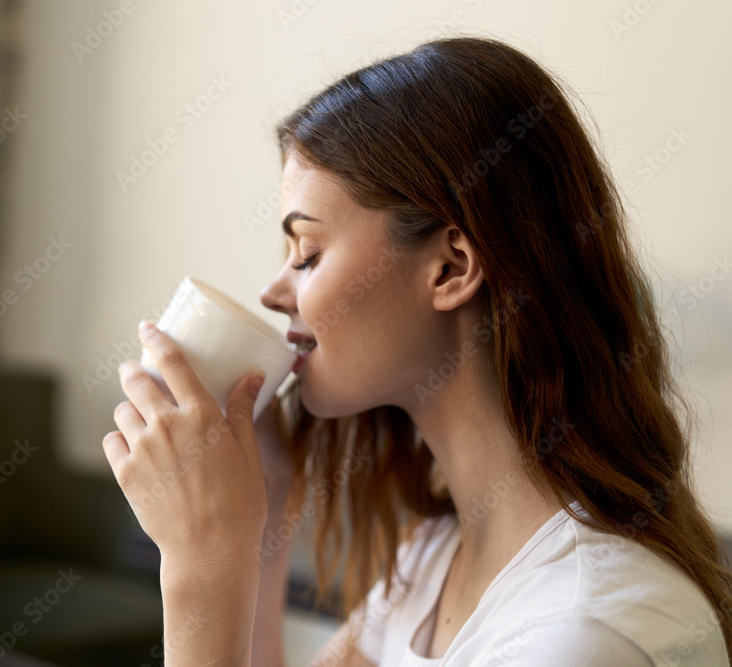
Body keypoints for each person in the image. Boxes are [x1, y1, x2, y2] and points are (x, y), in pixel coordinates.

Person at [102, 36, 732, 666]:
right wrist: (264, 504)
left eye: (308, 254)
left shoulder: (586, 632)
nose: (273, 293)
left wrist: (202, 564)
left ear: (450, 268)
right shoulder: (432, 559)